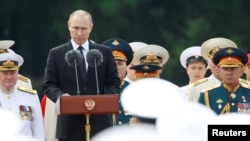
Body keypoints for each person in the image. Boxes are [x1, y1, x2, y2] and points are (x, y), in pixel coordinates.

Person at [42, 9, 120, 141]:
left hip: (99, 123)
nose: (79, 33)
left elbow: (114, 82)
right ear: (68, 26)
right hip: (69, 125)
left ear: (91, 28)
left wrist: (107, 99)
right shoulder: (56, 54)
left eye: (84, 28)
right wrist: (62, 97)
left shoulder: (104, 52)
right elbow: (49, 85)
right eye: (75, 28)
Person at [0, 52, 44, 140]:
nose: (9, 77)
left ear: (18, 73)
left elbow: (38, 131)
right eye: (5, 73)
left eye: (12, 73)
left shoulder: (30, 96)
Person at [198, 47, 250, 115]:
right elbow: (201, 123)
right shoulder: (208, 95)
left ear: (242, 69)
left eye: (233, 69)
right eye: (225, 69)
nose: (229, 73)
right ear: (218, 70)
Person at [187, 37, 239, 102]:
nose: (217, 64)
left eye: (221, 60)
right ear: (208, 63)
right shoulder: (197, 88)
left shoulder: (245, 87)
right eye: (213, 60)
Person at [101, 38, 133, 125]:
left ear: (126, 66)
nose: (115, 67)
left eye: (120, 63)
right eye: (112, 63)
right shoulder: (96, 90)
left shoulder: (135, 91)